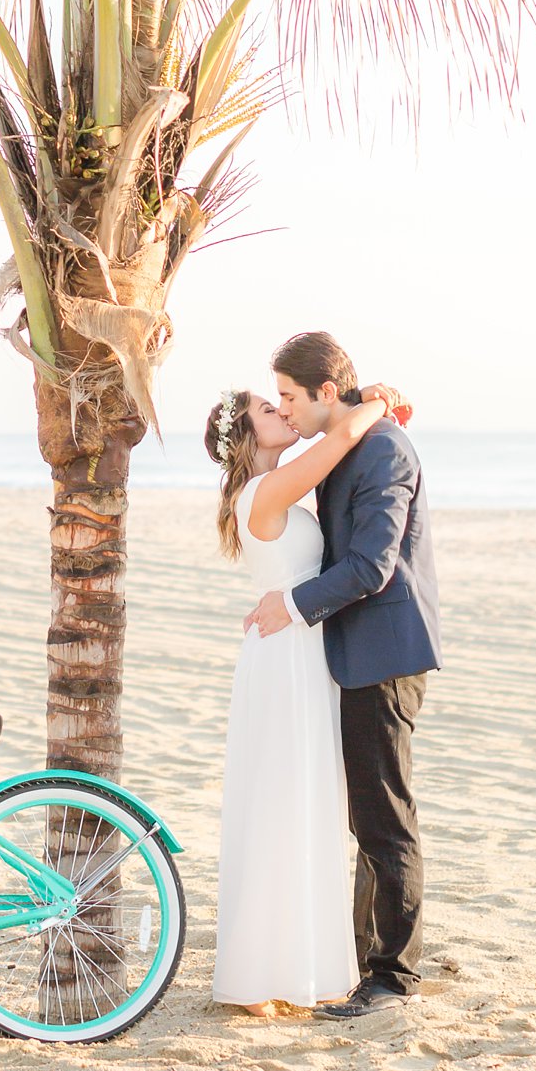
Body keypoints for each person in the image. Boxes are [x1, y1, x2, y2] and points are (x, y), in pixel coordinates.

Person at [245, 331, 441, 1022]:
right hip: (352, 651)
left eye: (291, 396)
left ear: (327, 392)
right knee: (365, 813)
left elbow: (373, 565)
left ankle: (392, 976)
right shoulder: (349, 443)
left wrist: (293, 604)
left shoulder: (384, 448)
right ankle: (363, 962)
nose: (285, 409)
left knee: (386, 818)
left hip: (385, 651)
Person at [206, 381, 405, 1014]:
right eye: (269, 408)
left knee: (301, 804)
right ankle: (272, 971)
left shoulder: (273, 489)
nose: (283, 411)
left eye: (284, 400)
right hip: (286, 657)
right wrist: (380, 402)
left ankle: (294, 963)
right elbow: (343, 434)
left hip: (298, 649)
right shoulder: (267, 489)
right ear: (246, 435)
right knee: (284, 805)